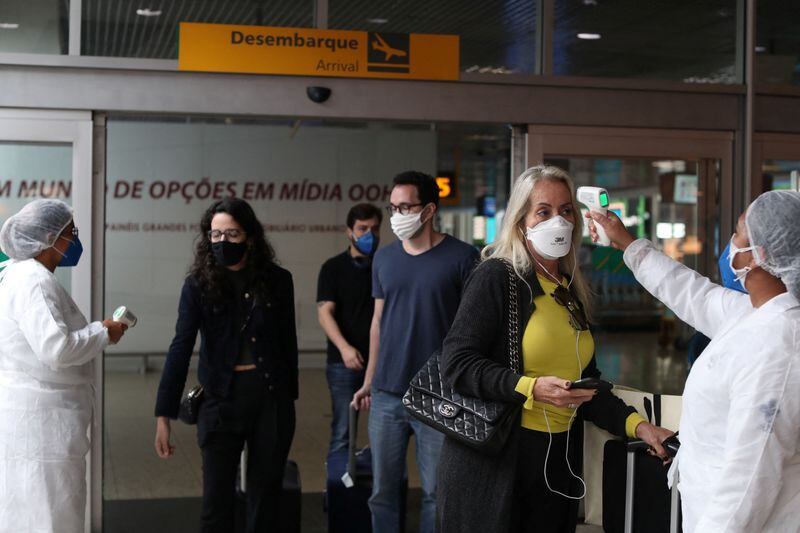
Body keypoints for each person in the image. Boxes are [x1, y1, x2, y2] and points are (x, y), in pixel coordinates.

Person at [436, 165, 672, 533]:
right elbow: (457, 364)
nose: (557, 221)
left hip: (558, 462)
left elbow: (587, 384)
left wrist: (639, 426)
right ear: (521, 222)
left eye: (565, 211)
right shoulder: (498, 277)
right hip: (501, 460)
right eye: (543, 211)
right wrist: (530, 387)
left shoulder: (568, 289)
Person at [587, 190, 800, 533]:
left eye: (737, 234)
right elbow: (694, 295)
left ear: (757, 256)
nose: (730, 244)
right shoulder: (756, 316)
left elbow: (749, 480)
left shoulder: (779, 348)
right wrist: (627, 243)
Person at [154, 198, 298, 533]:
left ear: (249, 236)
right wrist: (164, 413)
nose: (222, 242)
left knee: (265, 503)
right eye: (215, 234)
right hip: (220, 400)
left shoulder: (277, 280)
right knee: (215, 506)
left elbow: (286, 342)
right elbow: (180, 347)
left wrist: (288, 400)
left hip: (269, 399)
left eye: (231, 234)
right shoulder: (197, 284)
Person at [351, 171, 480, 533]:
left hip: (439, 395)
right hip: (388, 393)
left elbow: (473, 328)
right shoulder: (384, 259)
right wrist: (369, 380)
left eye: (404, 206)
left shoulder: (462, 258)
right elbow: (378, 322)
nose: (396, 215)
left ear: (428, 210)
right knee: (382, 491)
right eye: (392, 207)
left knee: (437, 493)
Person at [0, 199, 127, 532]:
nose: (74, 240)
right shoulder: (34, 281)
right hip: (43, 428)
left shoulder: (17, 275)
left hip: (32, 424)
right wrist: (104, 332)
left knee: (29, 514)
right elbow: (56, 348)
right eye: (71, 232)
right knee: (52, 517)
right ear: (48, 238)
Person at [317, 203, 382, 453]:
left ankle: (381, 489)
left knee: (385, 432)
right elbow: (324, 313)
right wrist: (345, 349)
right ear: (349, 231)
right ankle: (338, 488)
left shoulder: (385, 264)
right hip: (342, 363)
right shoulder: (333, 268)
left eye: (375, 229)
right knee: (343, 431)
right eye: (362, 228)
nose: (369, 235)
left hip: (382, 364)